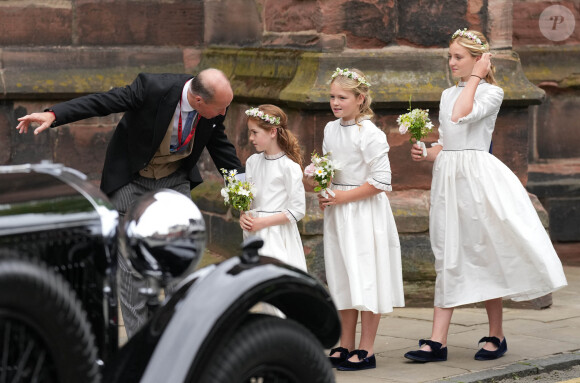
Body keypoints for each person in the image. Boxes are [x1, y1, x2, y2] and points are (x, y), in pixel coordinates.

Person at [16, 68, 243, 337]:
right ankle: (139, 343)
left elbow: (220, 145)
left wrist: (241, 185)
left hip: (174, 179)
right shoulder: (152, 88)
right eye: (221, 108)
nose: (223, 113)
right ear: (199, 101)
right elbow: (103, 102)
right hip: (133, 180)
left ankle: (179, 336)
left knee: (181, 255)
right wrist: (53, 114)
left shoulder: (215, 106)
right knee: (131, 267)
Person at [404, 29, 568, 363]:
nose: (451, 63)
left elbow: (462, 114)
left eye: (458, 57)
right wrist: (428, 150)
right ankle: (437, 340)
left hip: (477, 181)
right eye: (450, 56)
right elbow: (449, 140)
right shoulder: (448, 93)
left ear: (478, 59)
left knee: (484, 251)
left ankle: (496, 334)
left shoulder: (492, 93)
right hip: (449, 179)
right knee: (447, 251)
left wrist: (477, 76)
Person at [320, 68, 404, 371]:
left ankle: (366, 349)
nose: (335, 102)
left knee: (366, 275)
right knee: (342, 275)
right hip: (338, 211)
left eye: (342, 97)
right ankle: (345, 343)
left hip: (365, 211)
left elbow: (381, 181)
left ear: (360, 98)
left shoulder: (370, 133)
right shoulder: (331, 130)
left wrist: (342, 197)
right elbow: (329, 168)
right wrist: (324, 189)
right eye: (332, 96)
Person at [240, 104, 307, 271]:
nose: (250, 138)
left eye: (255, 132)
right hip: (254, 232)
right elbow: (248, 200)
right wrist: (243, 215)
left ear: (272, 132)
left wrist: (263, 222)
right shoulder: (252, 162)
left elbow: (297, 210)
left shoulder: (289, 167)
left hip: (278, 235)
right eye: (250, 132)